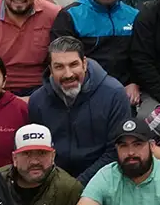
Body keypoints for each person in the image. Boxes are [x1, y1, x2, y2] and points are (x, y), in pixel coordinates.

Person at [28, 36, 130, 184]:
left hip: (104, 180)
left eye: (73, 64)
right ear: (50, 70)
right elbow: (38, 150)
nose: (68, 74)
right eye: (59, 67)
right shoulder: (38, 100)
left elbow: (115, 151)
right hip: (54, 182)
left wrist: (77, 185)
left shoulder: (114, 94)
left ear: (84, 63)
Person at [51, 0, 140, 106]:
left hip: (126, 91)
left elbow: (141, 56)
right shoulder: (71, 15)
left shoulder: (134, 16)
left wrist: (135, 82)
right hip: (84, 90)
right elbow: (61, 61)